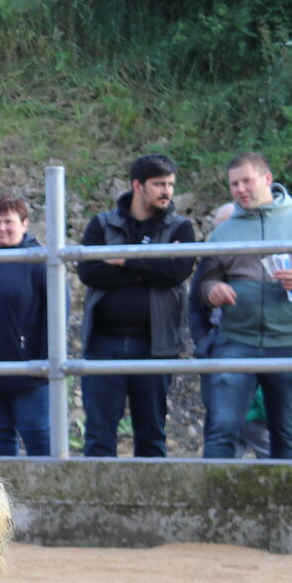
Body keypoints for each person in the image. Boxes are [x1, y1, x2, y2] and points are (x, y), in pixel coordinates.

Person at [76, 154, 196, 457]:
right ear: (137, 186)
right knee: (99, 434)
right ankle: (97, 503)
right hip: (103, 343)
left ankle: (154, 505)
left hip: (156, 344)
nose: (167, 191)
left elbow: (176, 273)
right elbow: (89, 272)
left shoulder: (181, 228)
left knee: (151, 433)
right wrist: (152, 263)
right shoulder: (102, 224)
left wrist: (122, 259)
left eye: (170, 184)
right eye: (159, 184)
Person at [197, 152, 292, 459]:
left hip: (290, 341)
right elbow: (203, 284)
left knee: (285, 433)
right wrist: (213, 289)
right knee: (221, 430)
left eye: (247, 181)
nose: (240, 189)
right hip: (237, 341)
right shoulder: (223, 231)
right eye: (234, 184)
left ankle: (288, 507)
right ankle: (212, 504)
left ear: (267, 179)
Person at [0, 194, 49, 456]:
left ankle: (46, 494)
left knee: (36, 433)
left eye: (8, 222)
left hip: (28, 371)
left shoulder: (39, 261)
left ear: (25, 224)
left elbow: (56, 313)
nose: (1, 228)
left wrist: (45, 362)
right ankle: (4, 497)